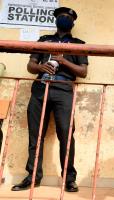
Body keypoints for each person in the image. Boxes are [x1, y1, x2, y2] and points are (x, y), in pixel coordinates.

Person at [11, 7, 88, 192]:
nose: (64, 19)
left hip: (63, 90)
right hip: (40, 88)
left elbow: (83, 72)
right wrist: (41, 68)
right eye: (61, 16)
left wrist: (63, 61)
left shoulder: (79, 44)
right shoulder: (44, 40)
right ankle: (33, 177)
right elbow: (30, 66)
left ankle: (69, 179)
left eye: (68, 17)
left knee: (66, 136)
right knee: (35, 136)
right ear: (56, 20)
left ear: (73, 22)